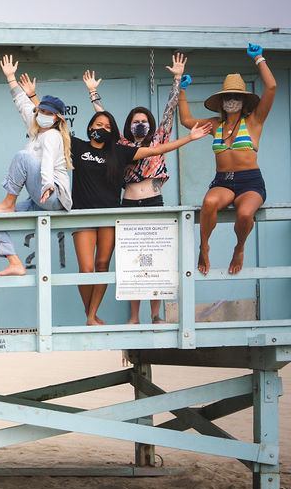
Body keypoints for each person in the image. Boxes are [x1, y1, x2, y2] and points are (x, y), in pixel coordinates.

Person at [29, 93, 211, 324]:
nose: (102, 128)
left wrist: (189, 138)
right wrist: (35, 99)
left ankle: (92, 315)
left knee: (102, 264)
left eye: (106, 126)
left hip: (110, 215)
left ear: (112, 130)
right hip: (82, 214)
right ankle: (91, 315)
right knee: (85, 269)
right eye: (98, 124)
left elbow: (156, 150)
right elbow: (52, 119)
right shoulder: (76, 145)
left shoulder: (119, 151)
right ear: (90, 126)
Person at [83, 53, 188, 323]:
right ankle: (133, 316)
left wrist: (177, 79)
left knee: (156, 259)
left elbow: (170, 111)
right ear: (129, 126)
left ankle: (155, 314)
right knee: (132, 260)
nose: (139, 124)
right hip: (128, 204)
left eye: (144, 121)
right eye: (135, 121)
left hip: (153, 203)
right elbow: (102, 117)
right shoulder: (121, 146)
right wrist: (93, 92)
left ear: (150, 125)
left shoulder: (159, 138)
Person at [178, 44, 277, 275]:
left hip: (250, 182)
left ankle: (239, 248)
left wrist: (259, 58)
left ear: (244, 100)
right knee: (209, 203)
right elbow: (186, 120)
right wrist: (181, 90)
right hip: (223, 181)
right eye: (228, 96)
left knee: (244, 215)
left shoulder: (254, 121)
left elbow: (271, 87)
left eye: (236, 96)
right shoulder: (215, 125)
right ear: (221, 100)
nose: (232, 100)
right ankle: (204, 246)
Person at [0, 55, 74, 276]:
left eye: (48, 113)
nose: (42, 115)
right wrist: (10, 78)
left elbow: (46, 165)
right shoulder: (37, 131)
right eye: (41, 111)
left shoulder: (53, 136)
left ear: (56, 119)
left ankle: (8, 202)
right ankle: (14, 262)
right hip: (39, 200)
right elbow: (23, 105)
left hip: (53, 195)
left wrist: (46, 187)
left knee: (22, 157)